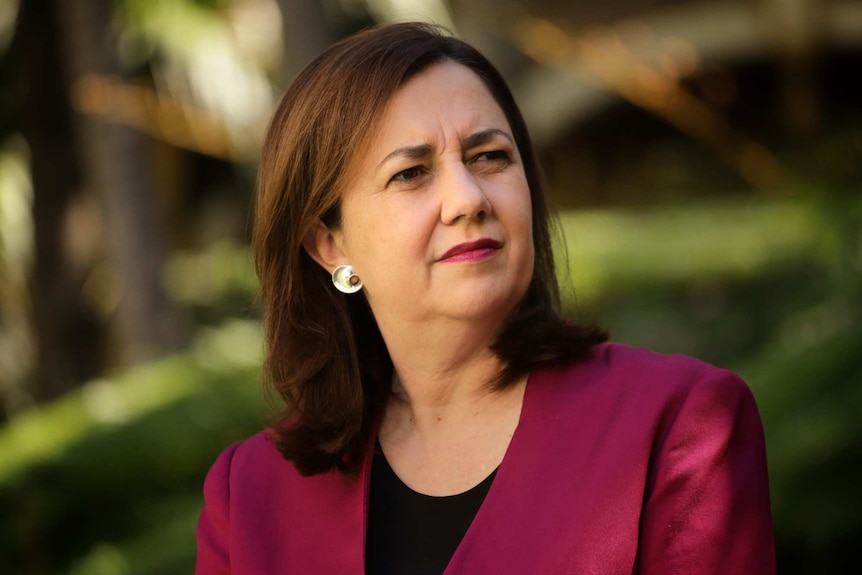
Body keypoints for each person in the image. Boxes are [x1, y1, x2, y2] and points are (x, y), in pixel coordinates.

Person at [195, 22, 775, 575]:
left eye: (489, 157)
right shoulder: (247, 495)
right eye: (412, 173)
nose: (468, 199)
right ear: (329, 243)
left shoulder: (679, 422)